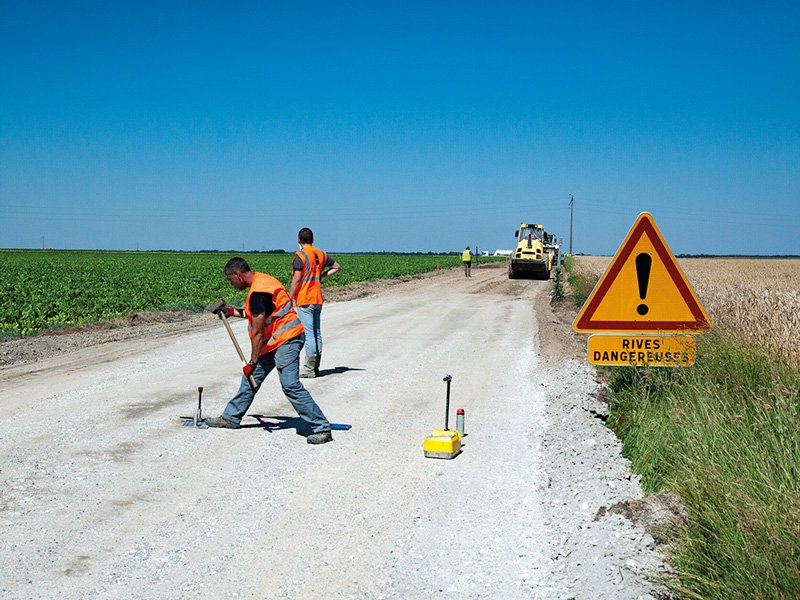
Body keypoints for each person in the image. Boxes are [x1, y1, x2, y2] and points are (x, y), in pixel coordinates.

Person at [206, 257, 333, 444]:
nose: (231, 284)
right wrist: (231, 311)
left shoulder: (258, 292)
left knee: (290, 384)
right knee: (251, 379)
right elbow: (258, 313)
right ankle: (230, 417)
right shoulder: (262, 281)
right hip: (275, 340)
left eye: (230, 280)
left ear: (238, 275)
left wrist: (252, 362)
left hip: (288, 339)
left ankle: (322, 428)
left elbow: (257, 333)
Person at [288, 227, 340, 378]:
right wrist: (321, 276)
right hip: (317, 298)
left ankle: (309, 370)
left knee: (309, 334)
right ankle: (316, 367)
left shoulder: (301, 255)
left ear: (299, 240)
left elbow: (297, 279)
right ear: (313, 240)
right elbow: (336, 267)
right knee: (317, 333)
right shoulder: (321, 254)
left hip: (305, 299)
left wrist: (290, 297)